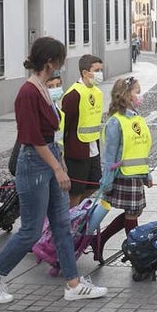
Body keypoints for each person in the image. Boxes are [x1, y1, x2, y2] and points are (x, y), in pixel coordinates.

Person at [0, 37, 107, 303]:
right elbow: (32, 138)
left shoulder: (43, 88)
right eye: (60, 59)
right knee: (31, 231)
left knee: (61, 224)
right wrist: (57, 168)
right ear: (50, 62)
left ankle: (72, 283)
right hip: (34, 163)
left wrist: (59, 162)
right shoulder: (28, 92)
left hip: (47, 158)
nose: (62, 64)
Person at [91, 76, 152, 262]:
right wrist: (107, 182)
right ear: (125, 95)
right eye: (137, 92)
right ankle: (136, 254)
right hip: (124, 176)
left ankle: (98, 242)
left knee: (134, 213)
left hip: (136, 174)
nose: (139, 96)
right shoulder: (115, 122)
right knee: (132, 214)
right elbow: (109, 156)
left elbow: (141, 149)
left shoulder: (136, 118)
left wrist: (146, 173)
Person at [60, 55, 105, 207]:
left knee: (94, 185)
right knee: (76, 191)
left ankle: (78, 211)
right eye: (96, 70)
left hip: (93, 147)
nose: (100, 74)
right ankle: (70, 222)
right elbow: (64, 126)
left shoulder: (98, 92)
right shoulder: (73, 95)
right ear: (85, 73)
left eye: (101, 70)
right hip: (77, 149)